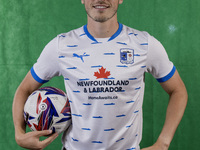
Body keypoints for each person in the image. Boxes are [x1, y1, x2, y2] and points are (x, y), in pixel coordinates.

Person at [12, 0, 188, 150]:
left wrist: (163, 143)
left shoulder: (144, 44)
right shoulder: (61, 46)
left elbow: (178, 90)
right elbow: (24, 89)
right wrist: (19, 134)